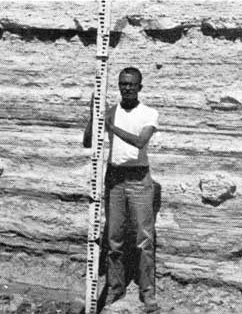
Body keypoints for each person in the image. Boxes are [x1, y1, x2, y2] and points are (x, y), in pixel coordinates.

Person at [84, 67, 160, 312]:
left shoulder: (149, 113)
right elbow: (88, 141)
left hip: (139, 179)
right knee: (114, 239)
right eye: (122, 84)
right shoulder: (110, 112)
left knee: (143, 240)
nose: (126, 88)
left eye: (131, 84)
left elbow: (140, 142)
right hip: (115, 179)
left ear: (140, 86)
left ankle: (148, 294)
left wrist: (112, 127)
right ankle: (116, 290)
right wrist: (93, 115)